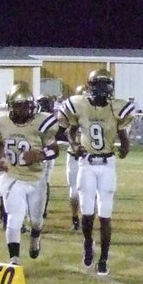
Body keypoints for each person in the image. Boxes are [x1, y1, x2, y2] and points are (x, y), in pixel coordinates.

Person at [57, 69, 135, 276]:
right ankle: (88, 244)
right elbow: (69, 129)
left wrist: (125, 148)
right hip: (87, 164)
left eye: (105, 84)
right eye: (98, 85)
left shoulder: (116, 108)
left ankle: (104, 259)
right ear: (90, 86)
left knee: (106, 215)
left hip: (107, 163)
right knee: (88, 213)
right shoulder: (79, 104)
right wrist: (74, 144)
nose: (102, 89)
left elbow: (123, 135)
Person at [0, 83, 59, 264]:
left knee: (36, 221)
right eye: (20, 106)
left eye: (27, 106)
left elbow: (54, 149)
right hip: (13, 176)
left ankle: (35, 237)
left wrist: (41, 154)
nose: (25, 110)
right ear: (11, 106)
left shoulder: (42, 122)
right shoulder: (0, 120)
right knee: (14, 217)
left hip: (36, 179)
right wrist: (0, 158)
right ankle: (14, 259)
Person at [64, 84, 86, 232]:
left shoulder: (93, 113)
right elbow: (67, 130)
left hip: (89, 157)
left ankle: (86, 219)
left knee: (90, 191)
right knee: (74, 191)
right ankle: (75, 218)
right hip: (73, 155)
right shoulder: (70, 113)